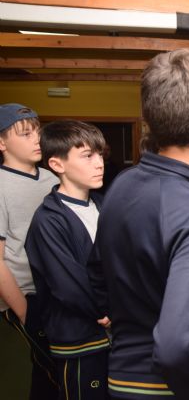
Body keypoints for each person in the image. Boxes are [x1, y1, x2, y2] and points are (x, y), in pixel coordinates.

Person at [91, 48, 189, 400]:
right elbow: (178, 349)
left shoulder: (122, 185)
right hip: (168, 389)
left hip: (120, 377)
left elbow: (97, 275)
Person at [25, 120, 111, 400]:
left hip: (114, 337)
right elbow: (68, 285)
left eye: (100, 154)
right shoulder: (48, 220)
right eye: (87, 156)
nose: (99, 163)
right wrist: (106, 312)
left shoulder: (104, 205)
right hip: (79, 339)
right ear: (57, 165)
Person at [0, 103, 59, 399]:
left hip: (56, 293)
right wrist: (23, 312)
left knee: (58, 375)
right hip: (24, 298)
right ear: (1, 143)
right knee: (38, 374)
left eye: (38, 132)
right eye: (25, 134)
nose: (37, 139)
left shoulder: (53, 179)